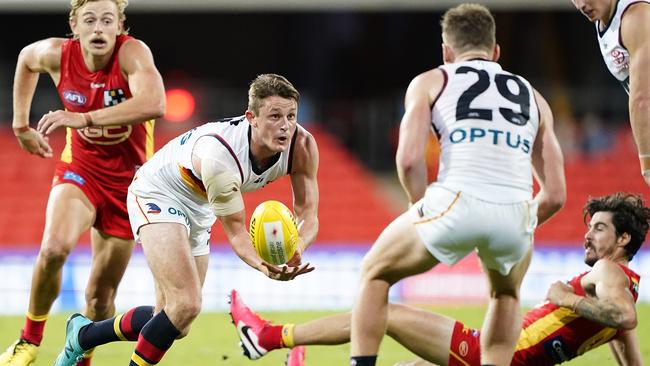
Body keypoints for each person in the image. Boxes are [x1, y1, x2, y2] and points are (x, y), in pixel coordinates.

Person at [344, 4, 567, 366]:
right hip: (515, 211)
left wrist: (419, 207)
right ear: (496, 52)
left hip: (455, 200)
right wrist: (516, 220)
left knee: (375, 272)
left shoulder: (433, 80)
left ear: (446, 52)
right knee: (506, 295)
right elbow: (555, 194)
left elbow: (409, 158)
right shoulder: (535, 97)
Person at [51, 73, 319, 366]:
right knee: (186, 304)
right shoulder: (222, 158)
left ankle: (83, 336)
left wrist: (298, 248)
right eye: (274, 116)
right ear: (251, 117)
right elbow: (237, 233)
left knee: (173, 320)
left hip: (198, 205)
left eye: (291, 115)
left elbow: (307, 214)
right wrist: (265, 266)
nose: (285, 125)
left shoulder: (302, 146)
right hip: (157, 192)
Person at [229, 192, 647, 366]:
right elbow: (623, 334)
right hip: (502, 353)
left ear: (623, 239)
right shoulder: (623, 281)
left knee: (385, 311)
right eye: (590, 226)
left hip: (495, 355)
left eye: (599, 229)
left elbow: (625, 318)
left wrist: (566, 298)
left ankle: (267, 336)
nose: (588, 234)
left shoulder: (608, 273)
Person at [0, 1, 165, 365]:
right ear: (74, 24)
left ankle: (78, 359)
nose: (98, 29)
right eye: (89, 20)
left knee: (99, 299)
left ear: (120, 25)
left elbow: (155, 103)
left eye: (107, 20)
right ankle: (29, 340)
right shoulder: (58, 54)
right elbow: (27, 60)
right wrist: (19, 125)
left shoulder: (132, 54)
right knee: (54, 248)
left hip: (130, 185)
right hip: (82, 170)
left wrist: (84, 117)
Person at [572, 0, 650, 187]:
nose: (580, 5)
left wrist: (647, 165)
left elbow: (642, 99)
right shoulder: (605, 21)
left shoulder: (636, 16)